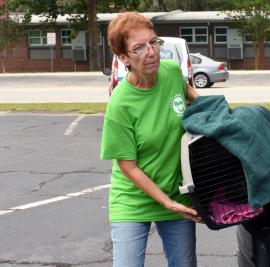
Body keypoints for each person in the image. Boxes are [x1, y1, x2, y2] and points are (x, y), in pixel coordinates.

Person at [100, 12, 200, 267]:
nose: (152, 52)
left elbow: (193, 97)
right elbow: (128, 167)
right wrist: (165, 202)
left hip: (176, 193)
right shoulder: (120, 104)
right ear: (124, 58)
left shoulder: (170, 71)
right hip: (133, 200)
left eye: (154, 42)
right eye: (139, 47)